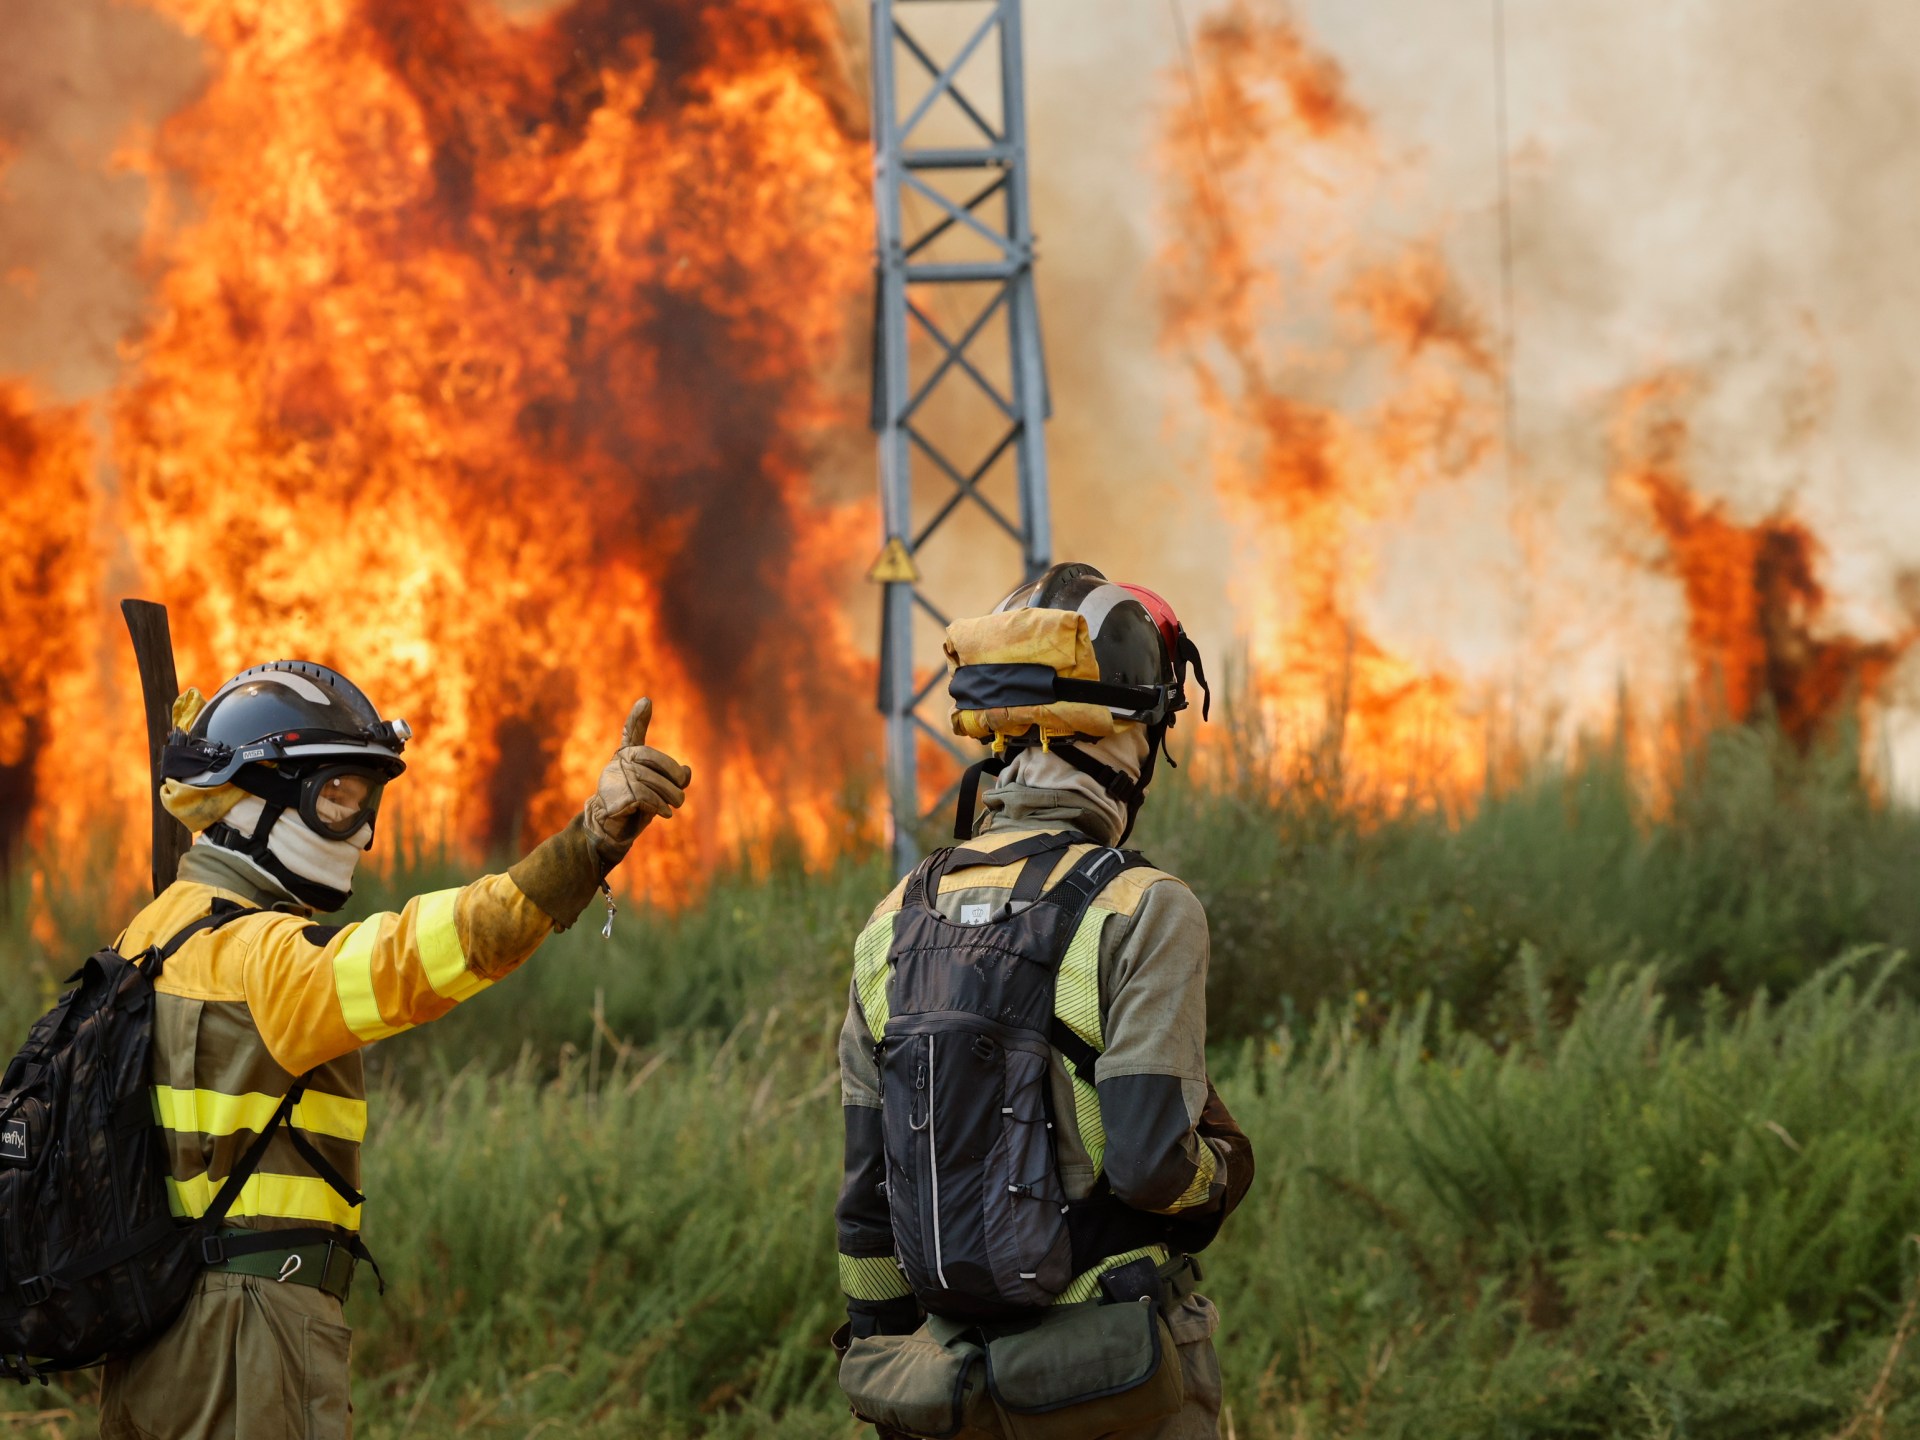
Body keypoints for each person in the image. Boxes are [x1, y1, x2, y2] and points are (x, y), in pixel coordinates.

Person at [96, 659, 692, 1440]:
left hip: (154, 1330)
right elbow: (425, 953)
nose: (364, 829)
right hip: (248, 1336)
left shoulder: (144, 936)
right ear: (255, 797)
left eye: (365, 798)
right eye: (337, 797)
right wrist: (586, 844)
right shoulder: (265, 957)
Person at [834, 563, 1255, 1439]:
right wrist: (1222, 1174)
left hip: (950, 1391)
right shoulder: (1143, 906)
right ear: (1117, 735)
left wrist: (882, 1369)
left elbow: (867, 1204)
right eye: (1151, 730)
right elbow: (1149, 1165)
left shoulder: (891, 922)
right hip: (1118, 1381)